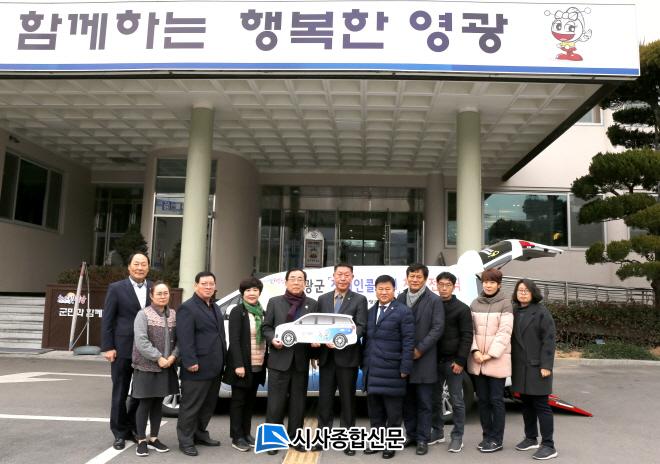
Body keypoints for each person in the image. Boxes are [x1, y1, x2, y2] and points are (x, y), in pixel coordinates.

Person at [262, 268, 318, 454]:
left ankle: (296, 439)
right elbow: (266, 328)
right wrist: (273, 339)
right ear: (286, 282)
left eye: (300, 279)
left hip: (301, 361)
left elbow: (316, 330)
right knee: (275, 404)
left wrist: (315, 345)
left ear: (305, 283)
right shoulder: (275, 302)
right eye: (292, 278)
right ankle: (272, 441)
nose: (296, 282)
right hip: (279, 361)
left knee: (298, 404)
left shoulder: (312, 304)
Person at [314, 263, 367, 455]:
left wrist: (341, 340)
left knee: (347, 401)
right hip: (326, 358)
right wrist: (318, 342)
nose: (343, 278)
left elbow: (361, 327)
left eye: (346, 275)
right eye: (339, 274)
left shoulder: (359, 300)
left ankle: (348, 440)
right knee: (324, 400)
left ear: (352, 277)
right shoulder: (323, 299)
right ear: (333, 276)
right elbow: (318, 325)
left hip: (348, 358)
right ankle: (322, 437)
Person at [101, 252, 151, 450]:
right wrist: (108, 347)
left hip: (146, 350)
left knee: (141, 393)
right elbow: (108, 319)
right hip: (122, 348)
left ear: (148, 267)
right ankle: (119, 433)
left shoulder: (154, 288)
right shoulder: (116, 288)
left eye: (143, 264)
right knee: (120, 392)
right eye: (136, 264)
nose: (140, 268)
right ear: (129, 267)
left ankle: (134, 428)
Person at [362, 274, 415, 460]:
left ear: (394, 290)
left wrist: (405, 367)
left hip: (393, 370)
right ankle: (376, 442)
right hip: (373, 369)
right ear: (375, 290)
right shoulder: (370, 311)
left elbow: (409, 341)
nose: (384, 292)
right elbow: (366, 341)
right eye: (380, 289)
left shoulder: (403, 311)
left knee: (393, 413)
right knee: (375, 412)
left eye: (387, 289)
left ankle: (390, 444)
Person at [176, 271, 227, 457]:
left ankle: (200, 434)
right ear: (195, 285)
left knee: (208, 405)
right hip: (196, 366)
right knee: (191, 406)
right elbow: (184, 337)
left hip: (214, 365)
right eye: (204, 283)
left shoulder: (214, 306)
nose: (208, 287)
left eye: (211, 283)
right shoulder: (187, 308)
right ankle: (185, 440)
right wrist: (190, 361)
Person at [396, 264, 444, 456]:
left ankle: (423, 439)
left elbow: (437, 328)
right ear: (407, 278)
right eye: (412, 276)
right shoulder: (400, 298)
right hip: (403, 359)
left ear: (425, 279)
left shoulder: (434, 300)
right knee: (407, 401)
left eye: (418, 277)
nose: (415, 280)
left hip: (424, 359)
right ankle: (411, 434)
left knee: (424, 402)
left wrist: (420, 349)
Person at [511, 279, 558, 461]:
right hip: (520, 367)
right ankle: (531, 438)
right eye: (520, 290)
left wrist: (546, 365)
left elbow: (549, 340)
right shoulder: (514, 311)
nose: (522, 293)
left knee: (541, 406)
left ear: (533, 293)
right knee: (526, 405)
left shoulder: (541, 312)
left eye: (526, 290)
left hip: (537, 367)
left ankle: (549, 445)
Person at [467, 268, 513, 453]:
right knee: (483, 400)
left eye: (492, 282)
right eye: (486, 282)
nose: (488, 285)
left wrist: (490, 354)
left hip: (496, 360)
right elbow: (470, 330)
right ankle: (487, 436)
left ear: (499, 285)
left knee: (496, 400)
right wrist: (475, 350)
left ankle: (497, 439)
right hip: (478, 359)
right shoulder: (475, 303)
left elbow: (505, 332)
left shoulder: (505, 304)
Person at [131, 281, 179, 457]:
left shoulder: (173, 314)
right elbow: (141, 341)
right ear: (151, 296)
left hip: (167, 365)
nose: (163, 296)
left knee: (158, 404)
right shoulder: (143, 314)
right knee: (144, 403)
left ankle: (154, 438)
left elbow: (180, 339)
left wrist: (173, 356)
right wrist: (158, 358)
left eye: (165, 293)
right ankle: (141, 440)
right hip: (147, 366)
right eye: (159, 293)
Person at [430, 271, 474, 453]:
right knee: (435, 399)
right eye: (441, 284)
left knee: (457, 400)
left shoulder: (462, 309)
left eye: (447, 285)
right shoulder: (433, 305)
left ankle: (457, 437)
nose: (444, 288)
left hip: (453, 362)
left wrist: (461, 360)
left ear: (453, 286)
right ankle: (437, 432)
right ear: (436, 285)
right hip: (433, 361)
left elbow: (467, 336)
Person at [224, 276, 267, 452]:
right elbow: (234, 340)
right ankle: (237, 437)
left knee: (250, 402)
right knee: (238, 402)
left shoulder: (262, 312)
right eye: (248, 290)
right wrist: (238, 364)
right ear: (242, 293)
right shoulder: (237, 311)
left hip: (258, 363)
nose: (251, 293)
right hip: (243, 365)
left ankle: (246, 433)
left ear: (259, 292)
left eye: (255, 290)